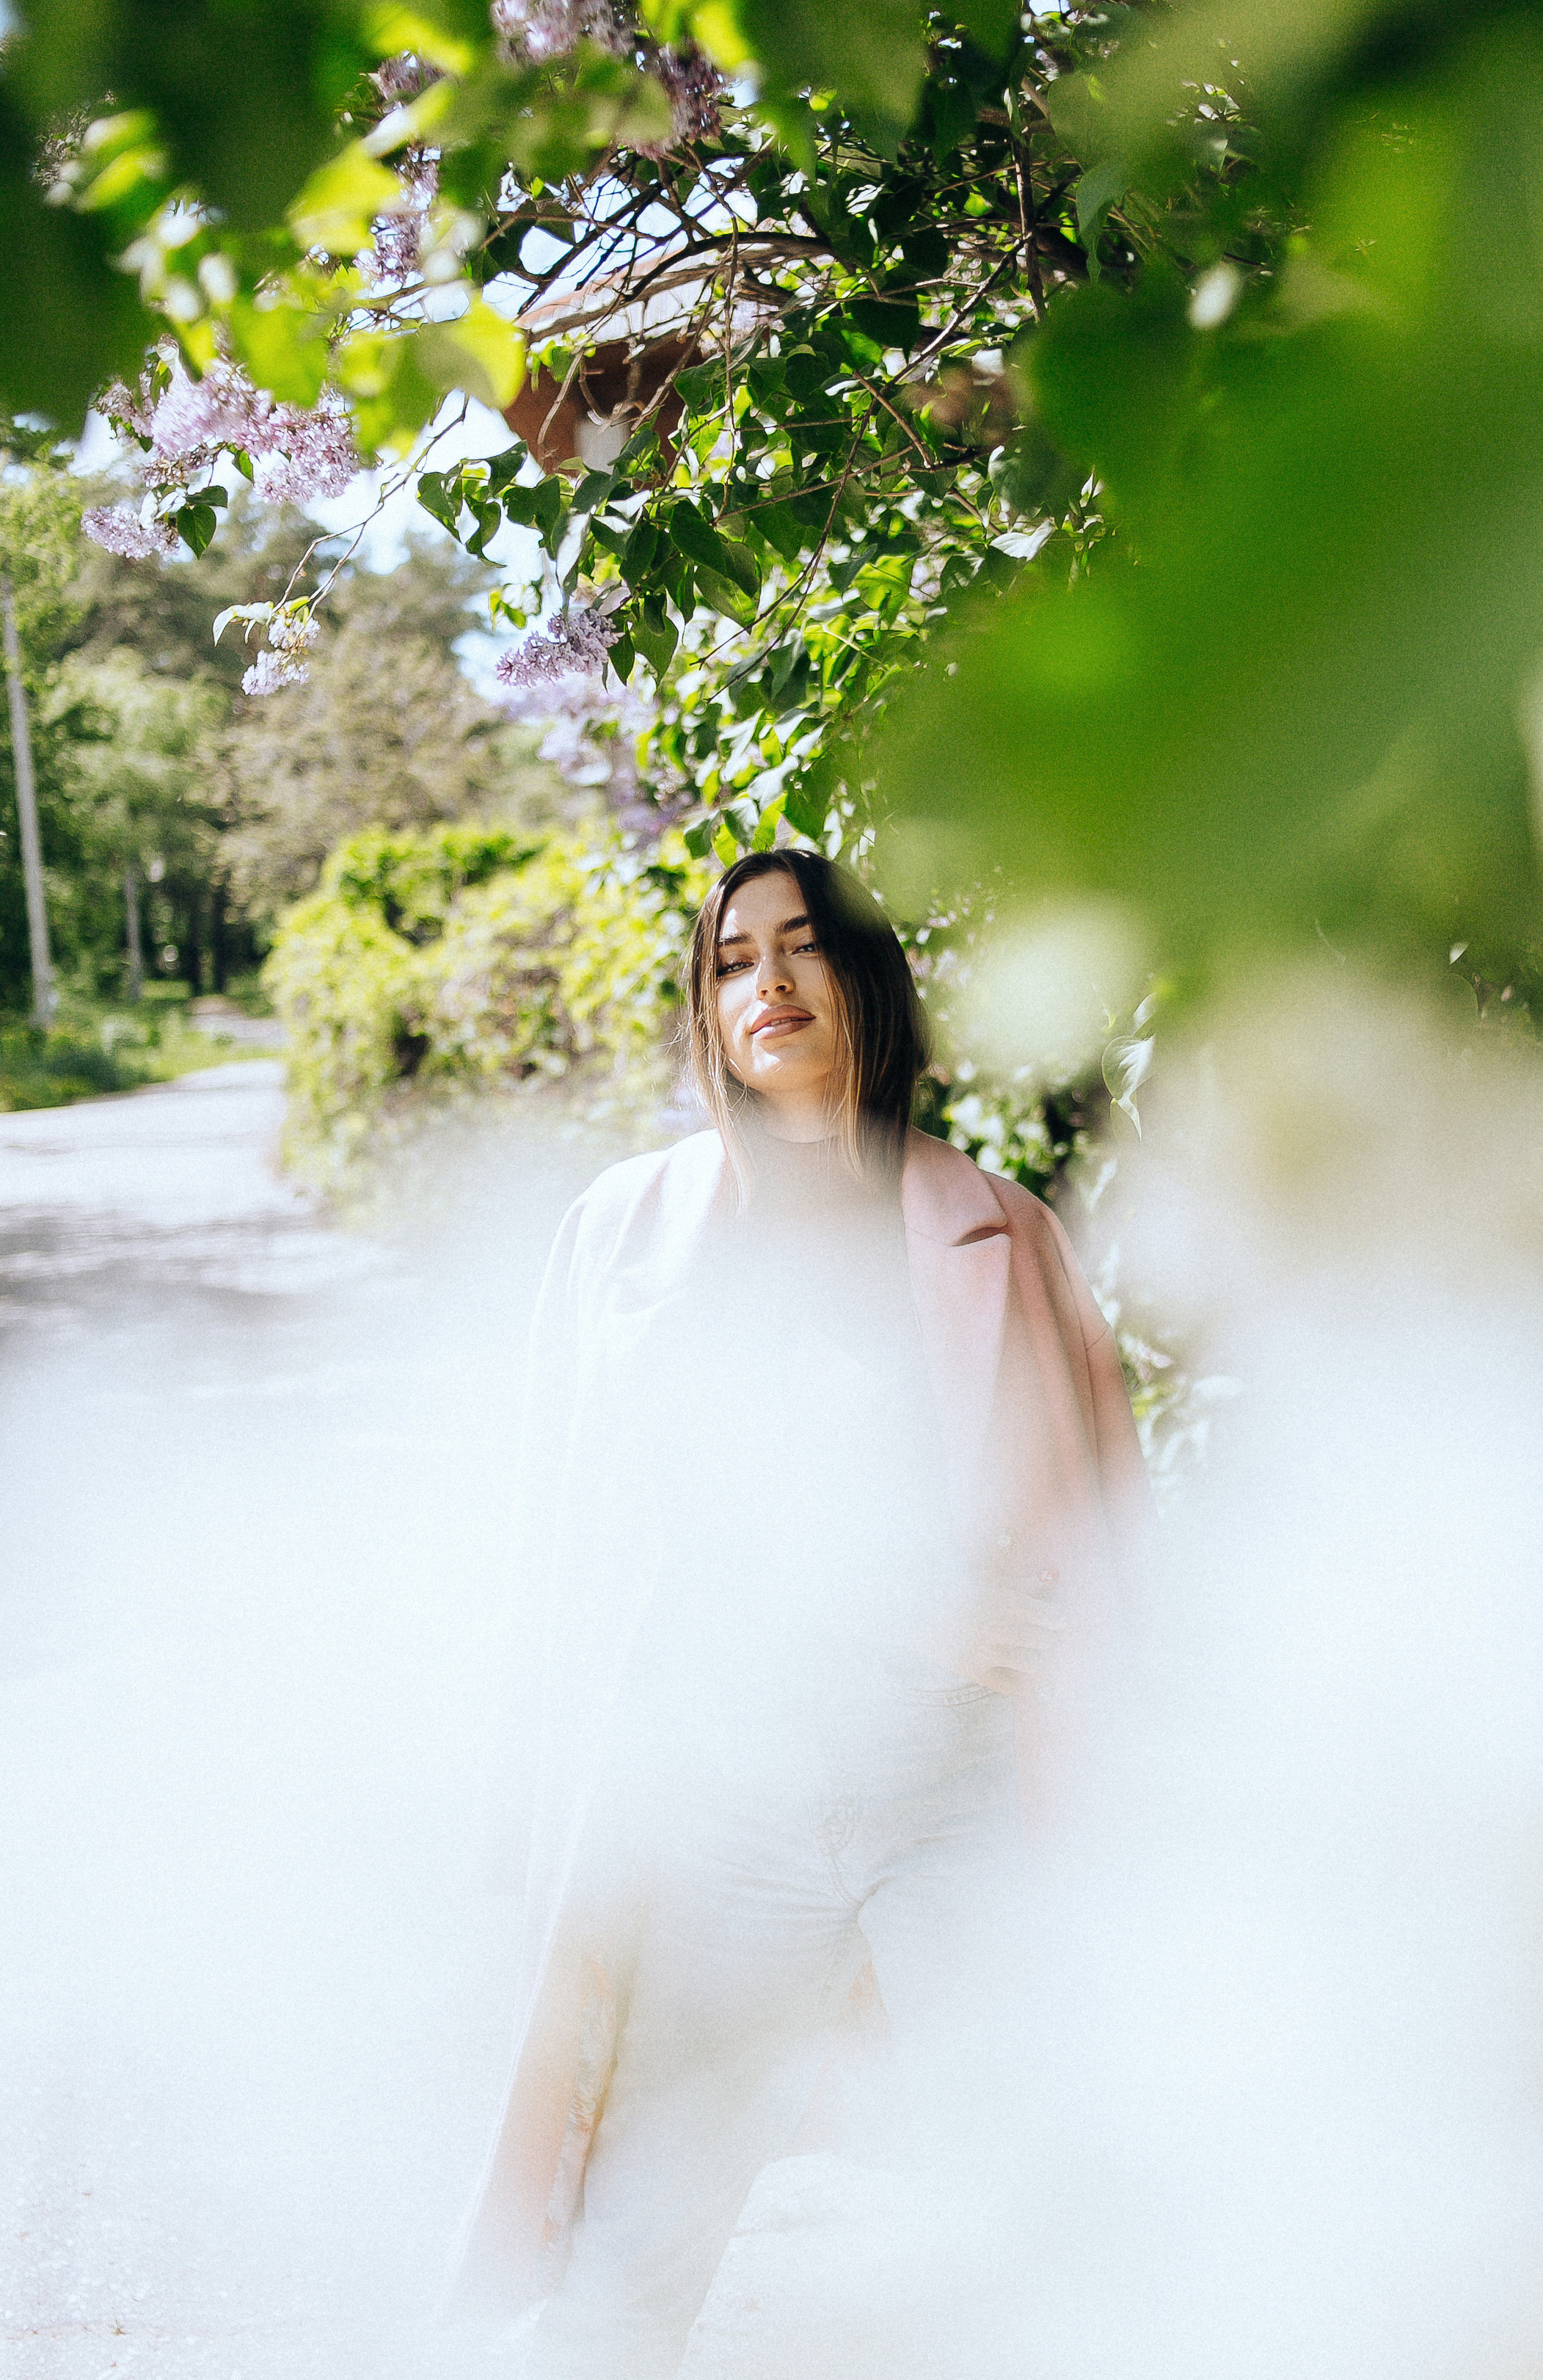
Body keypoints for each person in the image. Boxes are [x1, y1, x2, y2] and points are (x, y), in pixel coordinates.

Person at [449, 849, 1152, 2377]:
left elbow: (1104, 1530)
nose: (764, 983)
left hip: (959, 1801)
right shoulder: (625, 1237)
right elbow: (583, 1539)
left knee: (1045, 2219)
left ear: (862, 980)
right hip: (728, 1809)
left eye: (801, 948)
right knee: (637, 2247)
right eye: (729, 960)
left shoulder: (1003, 1234)